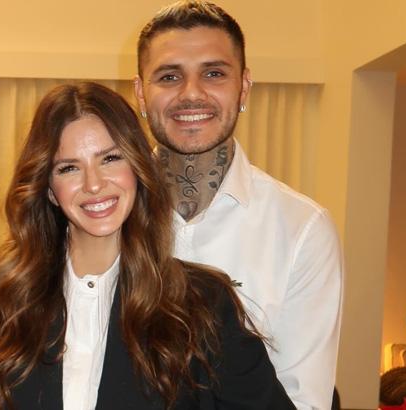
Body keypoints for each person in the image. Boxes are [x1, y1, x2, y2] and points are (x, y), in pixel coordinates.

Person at [0, 82, 294, 409]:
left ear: (138, 169)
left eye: (111, 159)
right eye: (69, 168)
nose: (94, 184)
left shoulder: (203, 302)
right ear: (49, 188)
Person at [132, 2, 343, 409]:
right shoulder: (104, 217)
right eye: (169, 76)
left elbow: (304, 400)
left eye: (214, 73)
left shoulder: (302, 228)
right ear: (141, 93)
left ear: (244, 87)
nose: (191, 93)